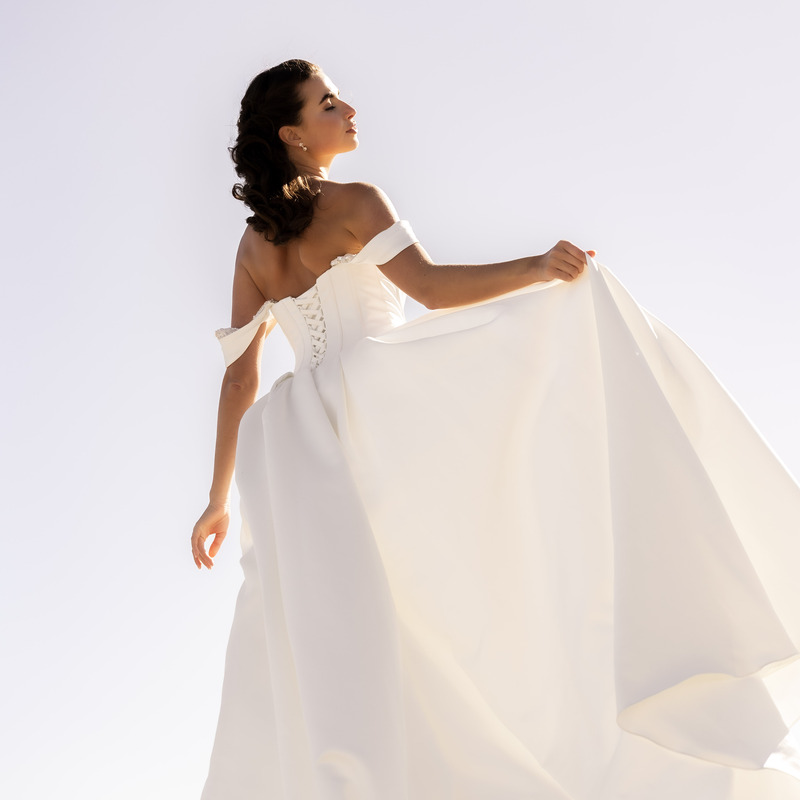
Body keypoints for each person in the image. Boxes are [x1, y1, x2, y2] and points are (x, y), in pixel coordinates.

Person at [192, 59, 800, 800]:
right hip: (381, 407)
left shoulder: (253, 246)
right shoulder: (355, 200)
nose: (348, 108)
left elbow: (240, 380)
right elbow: (431, 288)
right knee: (477, 578)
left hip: (297, 448)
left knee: (352, 627)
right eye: (327, 103)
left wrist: (218, 500)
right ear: (292, 134)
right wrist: (537, 266)